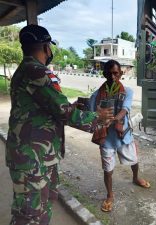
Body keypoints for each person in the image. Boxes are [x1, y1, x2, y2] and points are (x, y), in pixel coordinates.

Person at [5, 24, 114, 225]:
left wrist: (70, 107)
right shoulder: (36, 71)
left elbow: (49, 107)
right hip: (32, 158)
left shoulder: (26, 69)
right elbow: (63, 112)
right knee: (28, 215)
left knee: (42, 207)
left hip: (36, 155)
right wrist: (96, 117)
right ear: (47, 47)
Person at [89, 59, 150, 212]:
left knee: (134, 160)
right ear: (104, 74)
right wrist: (96, 115)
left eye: (116, 73)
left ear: (121, 74)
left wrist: (116, 119)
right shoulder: (97, 95)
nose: (112, 77)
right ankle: (109, 195)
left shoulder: (127, 91)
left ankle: (135, 178)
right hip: (106, 138)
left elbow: (125, 109)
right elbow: (90, 113)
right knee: (108, 169)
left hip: (123, 134)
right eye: (109, 73)